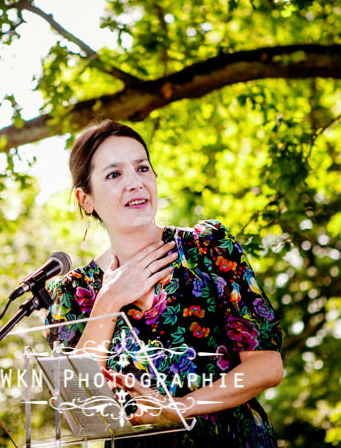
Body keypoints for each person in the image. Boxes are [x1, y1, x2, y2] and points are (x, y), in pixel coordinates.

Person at [45, 120, 283, 447]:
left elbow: (266, 366)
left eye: (142, 168)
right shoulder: (74, 294)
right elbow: (75, 403)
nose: (135, 183)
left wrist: (180, 408)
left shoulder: (209, 249)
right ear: (86, 199)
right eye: (114, 174)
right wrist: (109, 302)